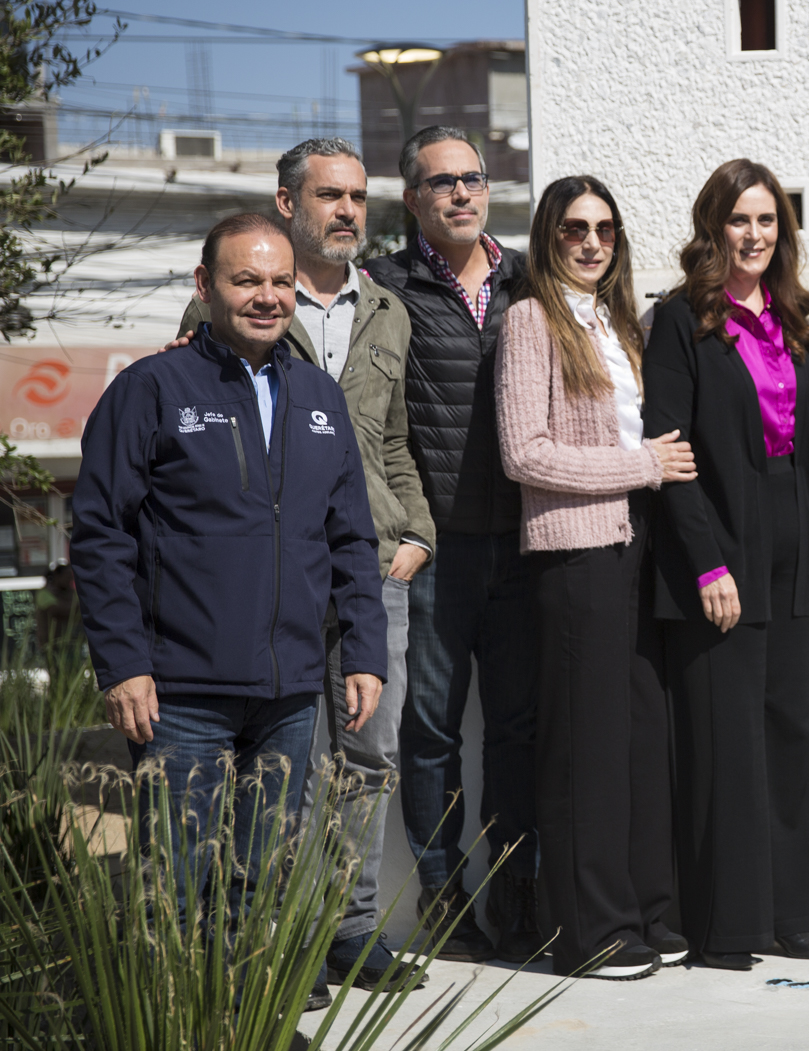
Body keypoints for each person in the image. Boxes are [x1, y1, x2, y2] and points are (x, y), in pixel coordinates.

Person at [71, 212, 386, 930]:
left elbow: (351, 538)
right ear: (206, 285)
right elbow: (99, 533)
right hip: (179, 691)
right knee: (172, 888)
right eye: (247, 280)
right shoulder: (151, 387)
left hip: (290, 694)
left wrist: (364, 651)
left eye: (280, 281)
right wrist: (122, 663)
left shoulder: (319, 397)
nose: (266, 296)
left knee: (259, 889)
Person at [175, 137, 432, 1007]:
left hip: (369, 569)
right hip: (270, 578)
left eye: (359, 196)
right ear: (287, 204)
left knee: (367, 755)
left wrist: (418, 528)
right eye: (330, 195)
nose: (349, 211)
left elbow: (394, 440)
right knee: (284, 761)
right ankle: (285, 938)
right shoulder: (234, 308)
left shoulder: (387, 310)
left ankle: (350, 929)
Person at [644, 159, 809, 971]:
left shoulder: (789, 316)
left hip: (792, 539)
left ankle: (792, 910)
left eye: (768, 221)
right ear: (713, 228)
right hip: (721, 539)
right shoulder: (680, 321)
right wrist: (705, 563)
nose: (755, 235)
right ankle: (727, 922)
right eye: (740, 220)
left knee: (791, 729)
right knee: (726, 737)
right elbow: (671, 453)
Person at [495, 175, 697, 980]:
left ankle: (647, 911)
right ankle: (590, 933)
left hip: (638, 550)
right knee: (584, 749)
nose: (591, 242)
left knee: (640, 739)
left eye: (605, 229)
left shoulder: (624, 323)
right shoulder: (530, 321)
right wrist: (641, 464)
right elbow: (526, 452)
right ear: (550, 236)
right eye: (575, 228)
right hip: (575, 555)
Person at [365, 126, 537, 963]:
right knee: (429, 730)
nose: (463, 193)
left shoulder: (527, 279)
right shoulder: (384, 288)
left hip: (530, 542)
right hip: (435, 550)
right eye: (444, 183)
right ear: (413, 199)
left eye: (474, 178)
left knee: (517, 726)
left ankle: (518, 889)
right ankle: (443, 899)